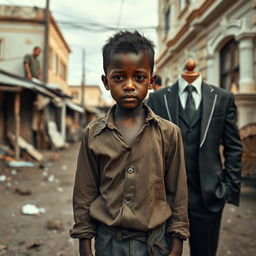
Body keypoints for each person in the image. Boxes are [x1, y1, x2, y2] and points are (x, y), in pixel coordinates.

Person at [70, 31, 189, 256]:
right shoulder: (93, 134)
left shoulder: (169, 133)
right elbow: (84, 191)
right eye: (119, 77)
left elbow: (177, 192)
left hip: (155, 243)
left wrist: (177, 242)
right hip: (108, 242)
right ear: (106, 81)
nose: (129, 85)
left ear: (152, 81)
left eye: (139, 77)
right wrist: (85, 243)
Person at [147, 71, 242, 256]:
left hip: (207, 197)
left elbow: (233, 147)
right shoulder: (158, 99)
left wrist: (229, 188)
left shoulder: (222, 98)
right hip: (166, 198)